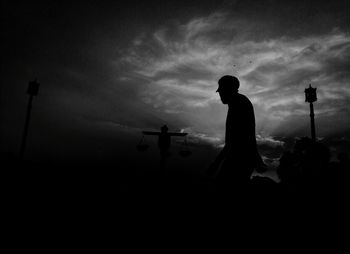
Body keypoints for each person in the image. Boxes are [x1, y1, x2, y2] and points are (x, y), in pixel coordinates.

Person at [206, 75, 266, 194]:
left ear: (229, 89)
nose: (220, 95)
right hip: (242, 158)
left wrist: (216, 163)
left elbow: (237, 139)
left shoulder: (239, 104)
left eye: (222, 91)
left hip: (239, 159)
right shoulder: (238, 102)